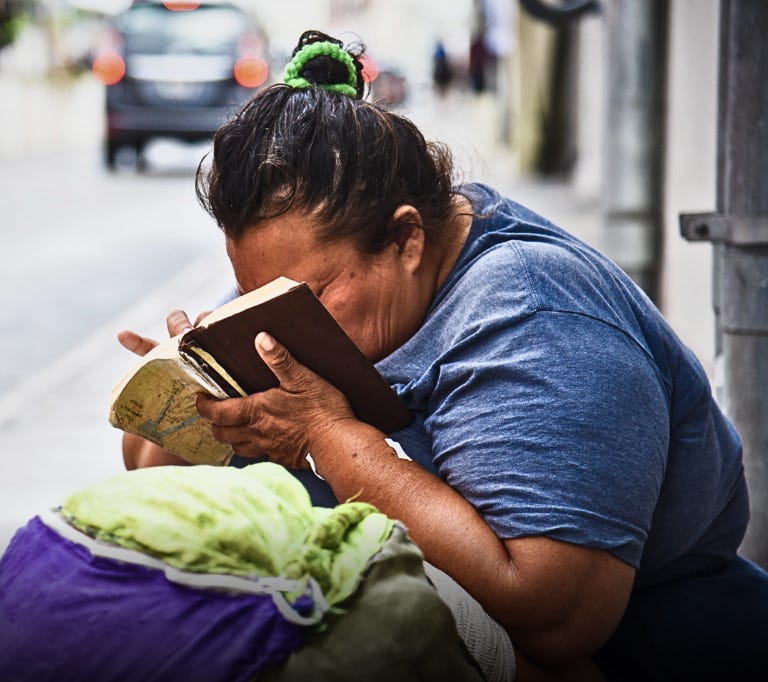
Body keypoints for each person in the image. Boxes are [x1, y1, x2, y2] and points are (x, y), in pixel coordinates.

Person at [118, 30, 768, 680]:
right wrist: (196, 391)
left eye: (308, 297)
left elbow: (555, 616)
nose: (274, 323)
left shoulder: (534, 312)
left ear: (405, 238)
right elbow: (145, 474)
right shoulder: (303, 271)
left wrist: (324, 436)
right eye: (253, 294)